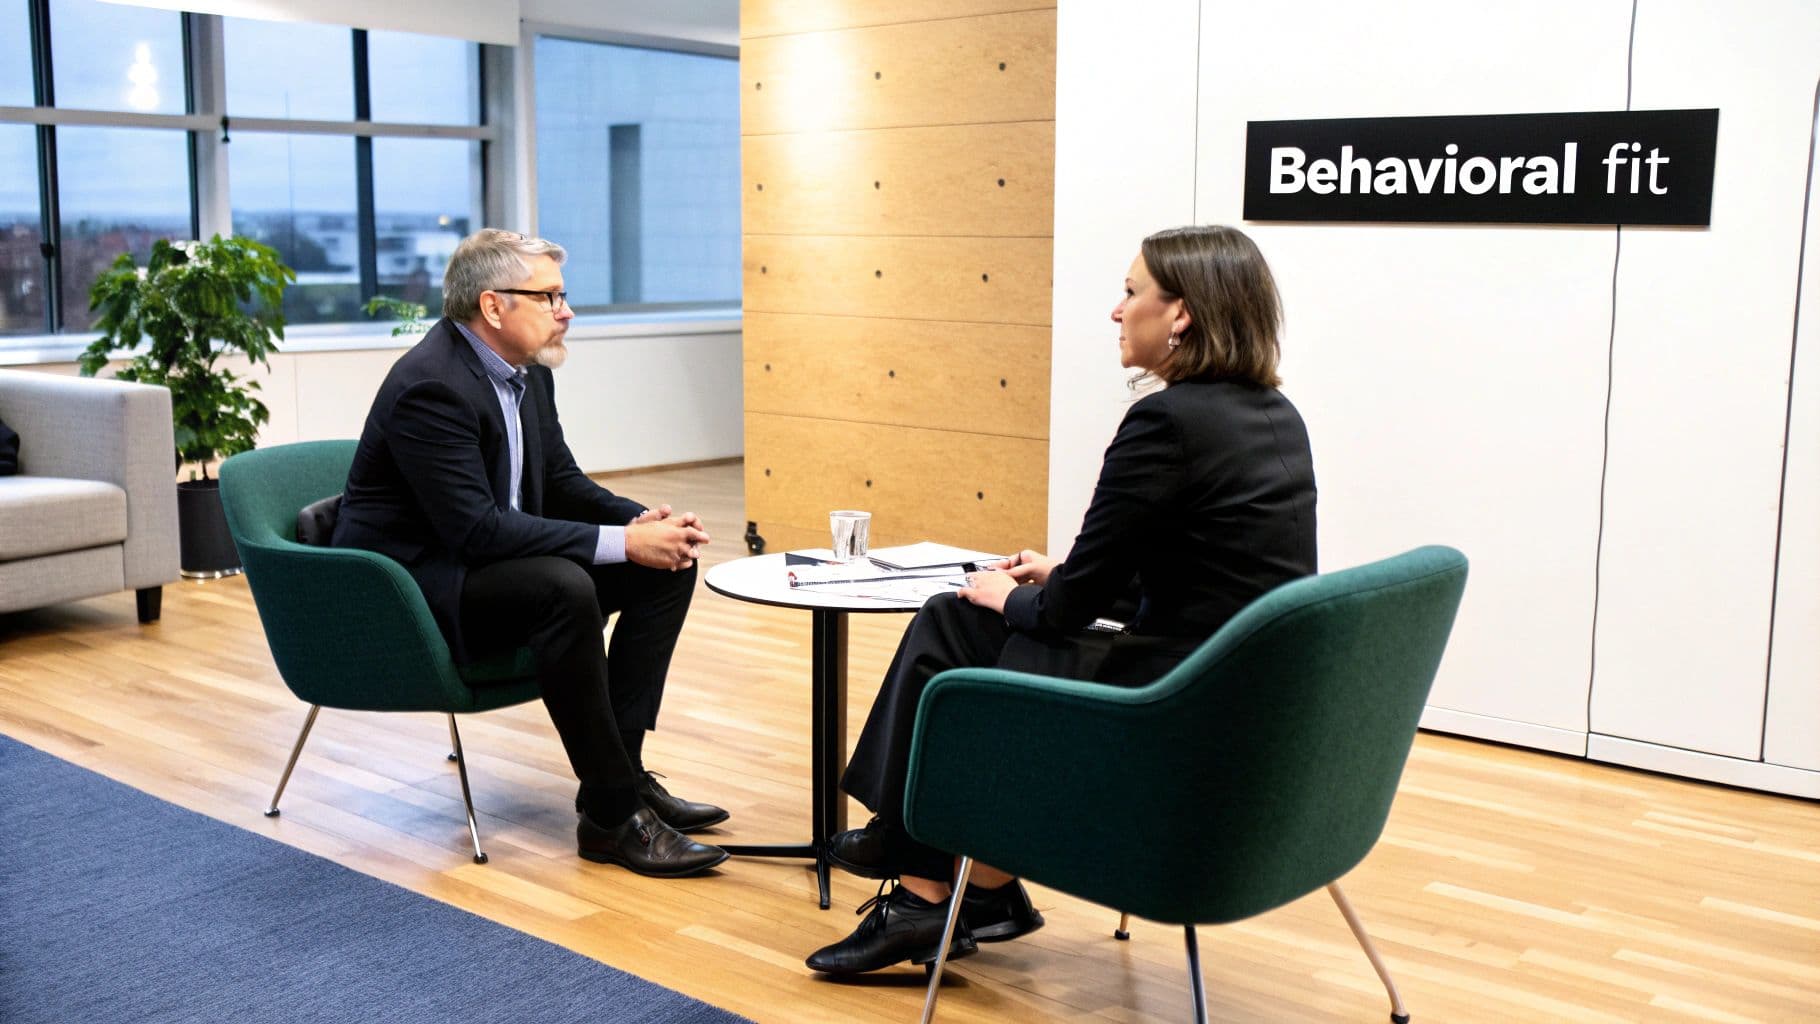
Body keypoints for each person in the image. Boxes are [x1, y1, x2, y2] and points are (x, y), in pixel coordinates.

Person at [805, 225, 1319, 974]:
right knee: (965, 627)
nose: (1116, 311)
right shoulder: (1274, 415)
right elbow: (1212, 569)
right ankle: (967, 885)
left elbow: (1062, 617)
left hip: (1167, 706)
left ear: (1180, 315)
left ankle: (918, 875)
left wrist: (1007, 595)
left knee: (958, 617)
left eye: (1132, 291)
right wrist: (1062, 570)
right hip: (1234, 697)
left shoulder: (1166, 421)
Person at [332, 229, 729, 878]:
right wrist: (622, 541)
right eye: (549, 297)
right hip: (411, 593)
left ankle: (622, 778)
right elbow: (478, 533)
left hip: (480, 568)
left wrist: (642, 525)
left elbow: (563, 483)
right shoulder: (431, 387)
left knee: (663, 570)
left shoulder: (527, 372)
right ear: (493, 306)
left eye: (562, 295)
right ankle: (611, 814)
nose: (566, 311)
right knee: (561, 586)